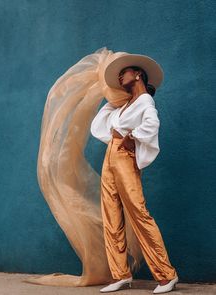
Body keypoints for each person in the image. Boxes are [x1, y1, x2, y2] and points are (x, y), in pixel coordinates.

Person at [90, 53, 179, 294]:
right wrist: (114, 101)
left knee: (138, 212)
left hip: (124, 158)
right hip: (110, 156)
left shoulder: (145, 102)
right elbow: (102, 124)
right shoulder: (125, 104)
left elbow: (152, 123)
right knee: (111, 214)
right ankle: (121, 274)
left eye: (124, 71)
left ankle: (166, 274)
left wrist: (134, 137)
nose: (120, 76)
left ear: (138, 74)